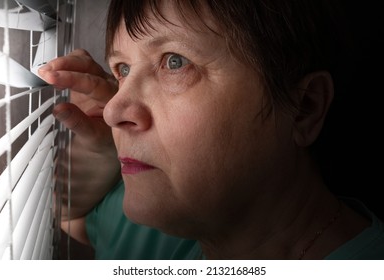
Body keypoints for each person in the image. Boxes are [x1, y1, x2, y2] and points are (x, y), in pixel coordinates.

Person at [38, 0, 384, 259]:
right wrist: (102, 158)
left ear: (304, 108)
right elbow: (74, 221)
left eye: (176, 61)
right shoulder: (163, 231)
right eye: (123, 68)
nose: (113, 111)